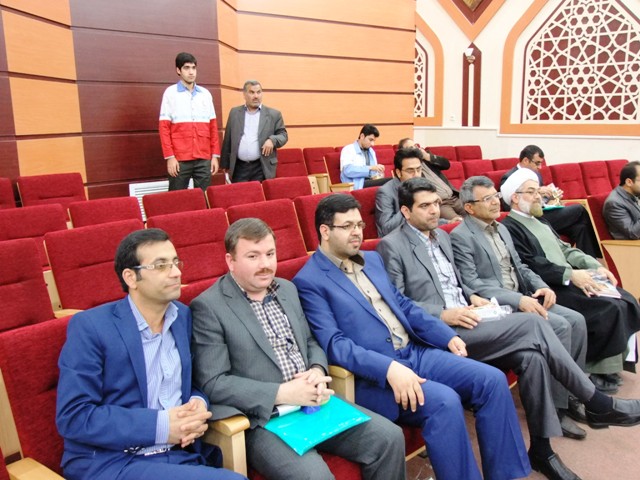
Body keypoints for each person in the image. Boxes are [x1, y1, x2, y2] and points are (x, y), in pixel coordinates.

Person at [377, 177, 640, 480]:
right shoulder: (392, 245)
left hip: (473, 316)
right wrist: (445, 314)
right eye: (425, 206)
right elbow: (398, 304)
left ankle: (542, 450)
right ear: (406, 212)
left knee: (533, 357)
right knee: (533, 322)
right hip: (441, 333)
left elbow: (458, 283)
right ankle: (596, 401)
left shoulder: (441, 237)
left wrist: (473, 297)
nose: (435, 210)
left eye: (436, 203)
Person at [293, 194, 532, 480]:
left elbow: (403, 305)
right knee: (445, 402)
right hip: (375, 376)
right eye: (347, 226)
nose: (357, 232)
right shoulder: (309, 281)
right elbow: (335, 345)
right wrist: (389, 369)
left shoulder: (372, 259)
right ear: (325, 230)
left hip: (414, 353)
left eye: (359, 225)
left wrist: (445, 336)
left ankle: (505, 475)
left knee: (491, 380)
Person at [190, 218, 406, 480]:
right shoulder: (209, 306)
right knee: (315, 477)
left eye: (270, 254)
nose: (265, 264)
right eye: (253, 256)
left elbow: (311, 342)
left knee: (389, 438)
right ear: (230, 261)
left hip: (314, 403)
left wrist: (316, 369)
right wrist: (282, 393)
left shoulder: (287, 289)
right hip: (263, 419)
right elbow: (214, 383)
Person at [56, 229, 244, 480]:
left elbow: (191, 383)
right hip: (114, 460)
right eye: (161, 265)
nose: (176, 272)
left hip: (178, 455)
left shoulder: (182, 316)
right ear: (131, 277)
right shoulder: (91, 327)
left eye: (175, 262)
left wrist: (197, 403)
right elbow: (74, 416)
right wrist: (162, 426)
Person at [500, 168, 640, 393]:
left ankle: (614, 365)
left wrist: (594, 265)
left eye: (538, 191)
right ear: (515, 198)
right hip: (551, 285)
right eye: (532, 192)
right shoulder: (510, 227)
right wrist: (571, 275)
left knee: (626, 299)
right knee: (608, 307)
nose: (538, 196)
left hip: (568, 277)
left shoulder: (540, 221)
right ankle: (598, 371)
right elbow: (531, 264)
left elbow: (565, 249)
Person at [499, 145, 601, 258]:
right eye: (537, 163)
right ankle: (599, 251)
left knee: (580, 227)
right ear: (526, 160)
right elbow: (509, 206)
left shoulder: (536, 174)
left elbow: (539, 199)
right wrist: (539, 192)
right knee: (579, 209)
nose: (540, 167)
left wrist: (552, 198)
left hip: (542, 211)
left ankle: (589, 262)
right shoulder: (509, 177)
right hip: (531, 217)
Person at [159, 52, 220, 191]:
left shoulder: (205, 94)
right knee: (177, 198)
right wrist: (170, 157)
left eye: (193, 68)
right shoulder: (170, 93)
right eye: (186, 68)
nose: (191, 72)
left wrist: (214, 156)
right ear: (178, 70)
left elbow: (212, 127)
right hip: (179, 158)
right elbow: (164, 128)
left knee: (204, 197)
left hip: (203, 156)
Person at [375, 147, 461, 237]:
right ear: (399, 172)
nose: (416, 175)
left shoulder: (421, 187)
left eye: (419, 169)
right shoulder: (385, 192)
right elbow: (386, 229)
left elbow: (425, 219)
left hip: (423, 234)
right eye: (410, 171)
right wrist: (410, 204)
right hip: (402, 239)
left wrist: (448, 222)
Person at [220, 80, 288, 182]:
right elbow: (228, 139)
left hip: (261, 167)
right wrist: (225, 165)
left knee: (260, 192)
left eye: (258, 92)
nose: (256, 96)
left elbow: (283, 135)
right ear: (244, 94)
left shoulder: (273, 114)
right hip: (239, 168)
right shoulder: (235, 113)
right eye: (252, 92)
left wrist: (272, 140)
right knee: (240, 192)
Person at [397, 138, 465, 221]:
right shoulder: (410, 170)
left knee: (475, 213)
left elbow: (446, 164)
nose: (415, 149)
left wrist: (427, 156)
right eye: (411, 148)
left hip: (454, 197)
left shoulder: (427, 158)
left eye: (415, 146)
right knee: (458, 221)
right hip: (441, 203)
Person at [339, 124, 387, 190]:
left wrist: (378, 174)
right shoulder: (348, 149)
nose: (372, 144)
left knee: (392, 182)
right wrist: (370, 168)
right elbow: (348, 171)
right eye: (370, 140)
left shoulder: (371, 151)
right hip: (357, 185)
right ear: (362, 136)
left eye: (374, 141)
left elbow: (373, 172)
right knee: (390, 181)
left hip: (370, 182)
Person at [603, 161, 640, 240]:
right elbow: (633, 233)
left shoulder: (635, 193)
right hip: (631, 245)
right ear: (629, 182)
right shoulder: (614, 203)